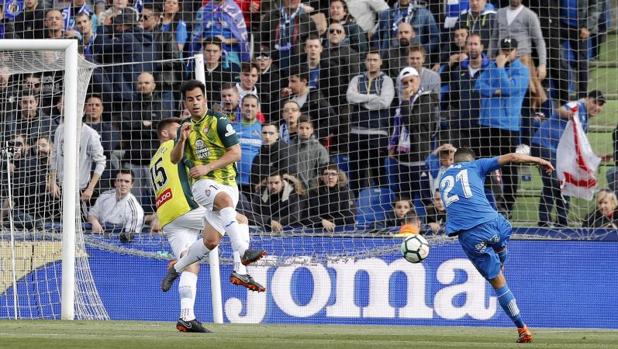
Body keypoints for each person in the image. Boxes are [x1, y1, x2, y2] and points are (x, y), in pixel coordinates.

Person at [151, 118, 261, 333]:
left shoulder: (155, 157)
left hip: (167, 216)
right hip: (187, 207)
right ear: (165, 133)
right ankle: (240, 268)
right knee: (240, 221)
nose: (185, 130)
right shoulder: (178, 145)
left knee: (190, 260)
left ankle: (186, 316)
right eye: (178, 128)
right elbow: (198, 165)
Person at [160, 80, 266, 296]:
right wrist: (181, 140)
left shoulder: (219, 121)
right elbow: (174, 159)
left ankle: (176, 268)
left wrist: (207, 166)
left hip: (227, 182)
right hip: (202, 185)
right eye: (190, 99)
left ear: (205, 98)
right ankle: (242, 257)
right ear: (186, 103)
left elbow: (236, 153)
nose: (195, 103)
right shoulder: (184, 128)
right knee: (227, 203)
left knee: (210, 241)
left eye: (198, 98)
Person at [439, 148, 554, 343]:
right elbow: (513, 157)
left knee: (499, 284)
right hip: (495, 224)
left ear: (453, 161)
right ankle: (501, 255)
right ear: (471, 159)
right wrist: (539, 160)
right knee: (503, 232)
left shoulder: (442, 179)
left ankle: (522, 329)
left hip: (469, 236)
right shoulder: (476, 165)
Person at [530, 90, 606, 227]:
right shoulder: (577, 106)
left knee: (565, 182)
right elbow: (559, 110)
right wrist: (569, 114)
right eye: (595, 102)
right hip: (544, 145)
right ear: (587, 99)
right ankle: (544, 221)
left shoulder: (585, 121)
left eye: (600, 105)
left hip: (559, 152)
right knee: (553, 182)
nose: (597, 107)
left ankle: (561, 222)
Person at [87, 169, 144, 242]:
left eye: (127, 181)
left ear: (131, 185)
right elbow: (91, 215)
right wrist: (94, 222)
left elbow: (130, 236)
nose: (123, 184)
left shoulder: (135, 209)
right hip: (97, 237)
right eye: (120, 180)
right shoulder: (104, 196)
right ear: (115, 183)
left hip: (118, 242)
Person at [304, 164, 355, 231]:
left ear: (338, 176)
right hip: (317, 230)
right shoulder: (313, 193)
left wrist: (329, 222)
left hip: (340, 230)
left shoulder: (346, 192)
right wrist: (321, 222)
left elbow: (350, 217)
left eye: (333, 174)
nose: (330, 177)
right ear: (321, 177)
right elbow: (305, 216)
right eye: (326, 174)